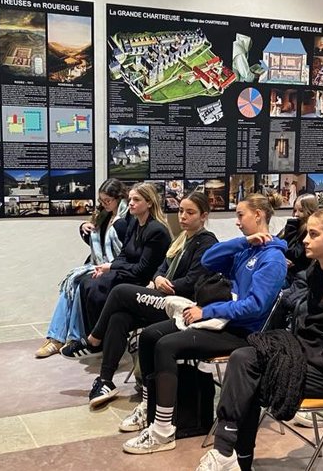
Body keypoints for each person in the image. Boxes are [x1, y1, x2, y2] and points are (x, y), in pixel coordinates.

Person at [196, 209, 323, 471]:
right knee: (244, 358)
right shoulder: (316, 272)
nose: (305, 240)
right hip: (304, 356)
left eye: (313, 234)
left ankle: (231, 456)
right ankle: (229, 453)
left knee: (246, 377)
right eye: (307, 232)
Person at [120, 193, 287, 455]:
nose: (237, 221)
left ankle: (163, 431)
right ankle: (149, 407)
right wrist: (242, 241)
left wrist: (206, 311)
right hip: (221, 320)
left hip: (242, 332)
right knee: (151, 336)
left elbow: (255, 306)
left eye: (241, 215)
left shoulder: (273, 258)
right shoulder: (248, 248)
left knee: (166, 346)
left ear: (258, 215)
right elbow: (209, 259)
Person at [61, 193, 218, 407]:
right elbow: (160, 268)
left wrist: (165, 284)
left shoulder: (207, 241)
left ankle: (93, 341)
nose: (182, 216)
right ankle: (105, 380)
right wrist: (158, 278)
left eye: (190, 212)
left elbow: (194, 281)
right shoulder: (182, 238)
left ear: (203, 216)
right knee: (119, 317)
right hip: (164, 295)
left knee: (120, 291)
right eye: (181, 211)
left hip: (180, 304)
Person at [69, 183, 172, 350]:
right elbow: (124, 254)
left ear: (149, 203)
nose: (130, 203)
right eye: (130, 198)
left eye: (136, 199)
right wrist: (109, 266)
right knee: (87, 283)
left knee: (98, 289)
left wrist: (112, 268)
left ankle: (97, 341)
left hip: (145, 280)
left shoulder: (156, 230)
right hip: (131, 272)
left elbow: (143, 270)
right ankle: (91, 337)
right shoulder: (135, 224)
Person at [35, 179, 129, 358]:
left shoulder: (125, 219)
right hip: (98, 263)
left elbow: (127, 251)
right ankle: (55, 337)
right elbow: (96, 242)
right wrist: (83, 228)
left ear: (119, 198)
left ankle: (76, 337)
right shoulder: (104, 215)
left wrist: (108, 266)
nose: (104, 204)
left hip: (114, 267)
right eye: (102, 200)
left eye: (107, 200)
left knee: (81, 285)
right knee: (69, 286)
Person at [278, 193, 318, 285]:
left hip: (297, 277)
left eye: (301, 210)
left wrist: (291, 227)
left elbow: (294, 255)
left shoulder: (310, 231)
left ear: (310, 211)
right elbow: (276, 243)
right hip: (286, 272)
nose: (296, 214)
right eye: (294, 210)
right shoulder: (296, 226)